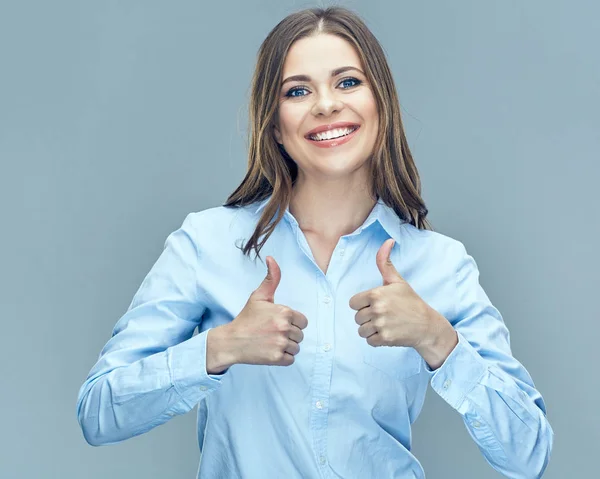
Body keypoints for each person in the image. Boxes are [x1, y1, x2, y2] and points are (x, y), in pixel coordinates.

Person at [76, 6, 554, 478]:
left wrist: (438, 339)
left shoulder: (440, 264)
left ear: (379, 104)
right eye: (298, 90)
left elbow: (529, 454)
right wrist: (219, 348)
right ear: (276, 125)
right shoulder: (207, 243)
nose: (326, 104)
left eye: (348, 82)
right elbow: (99, 413)